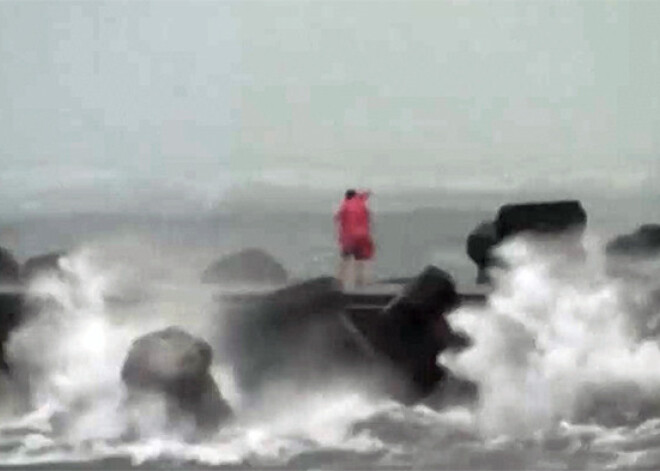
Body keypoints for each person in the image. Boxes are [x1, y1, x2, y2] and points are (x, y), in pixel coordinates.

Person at [334, 189, 374, 289]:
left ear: (346, 196)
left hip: (349, 238)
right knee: (360, 261)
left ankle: (339, 283)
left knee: (345, 260)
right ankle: (360, 284)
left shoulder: (345, 205)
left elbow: (337, 218)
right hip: (363, 237)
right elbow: (369, 216)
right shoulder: (361, 203)